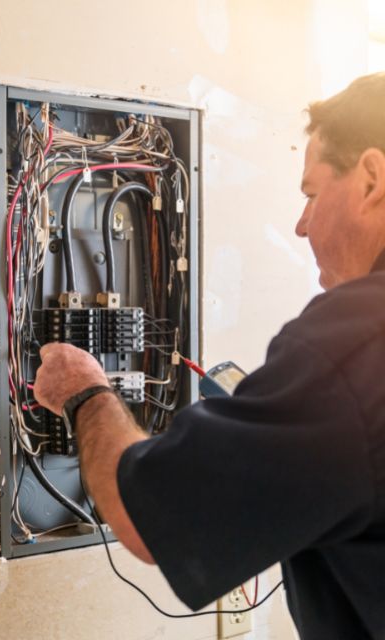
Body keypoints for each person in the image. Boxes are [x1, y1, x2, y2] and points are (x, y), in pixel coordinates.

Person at [34, 73, 385, 640]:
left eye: (312, 195)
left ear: (371, 178)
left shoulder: (354, 345)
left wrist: (85, 391)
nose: (301, 225)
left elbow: (150, 523)